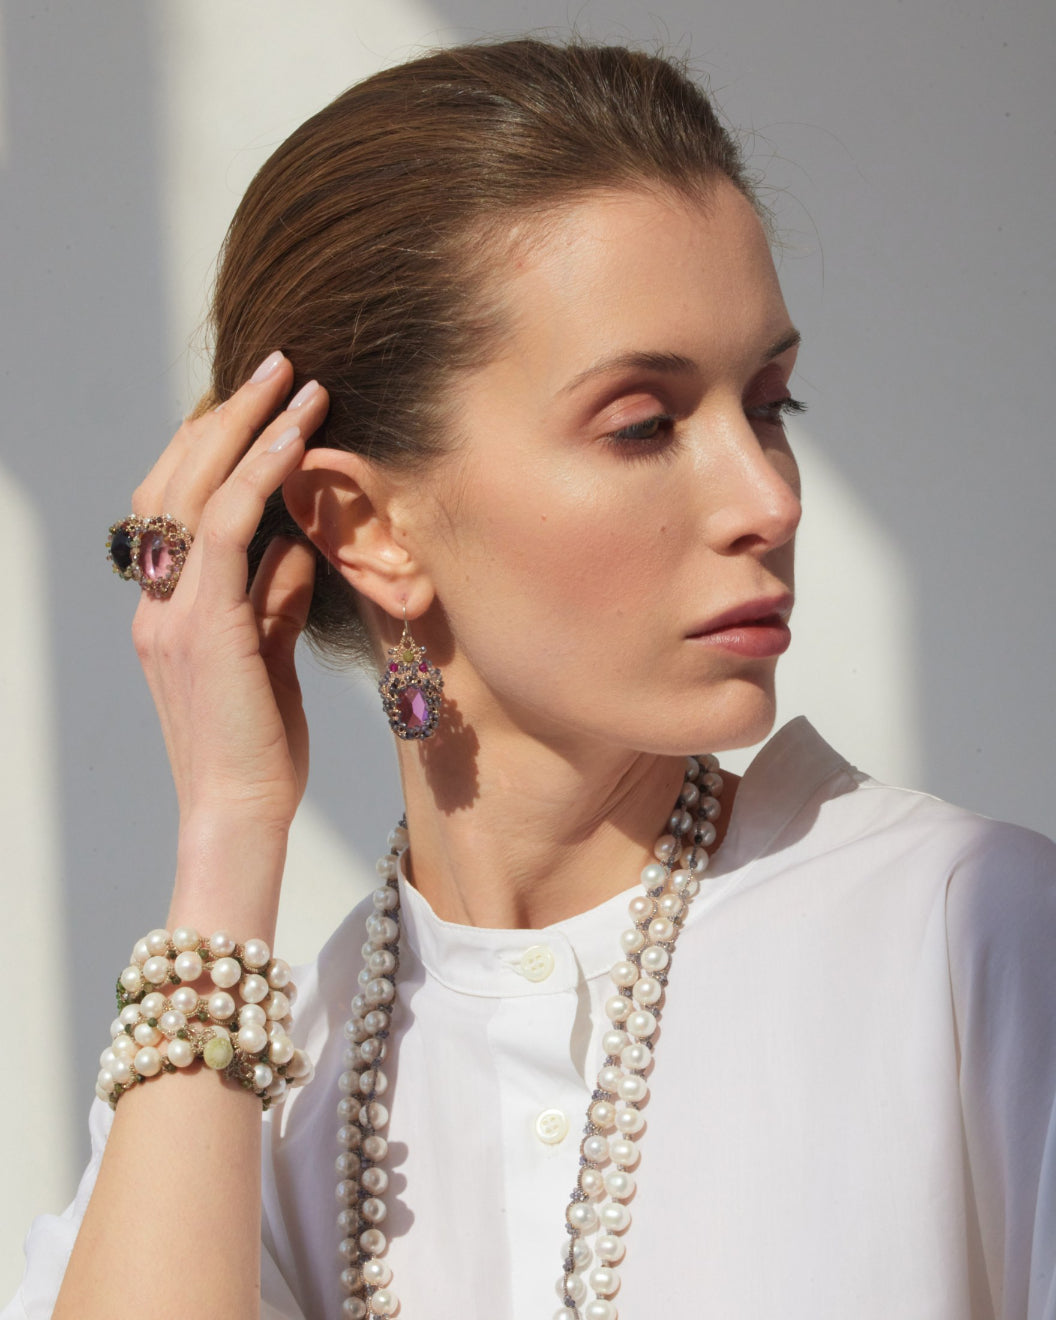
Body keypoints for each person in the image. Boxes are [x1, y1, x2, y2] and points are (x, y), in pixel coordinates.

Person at [5, 37, 1055, 1320]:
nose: (768, 498)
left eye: (770, 401)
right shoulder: (253, 1087)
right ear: (366, 529)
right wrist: (227, 837)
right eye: (644, 424)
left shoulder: (967, 937)